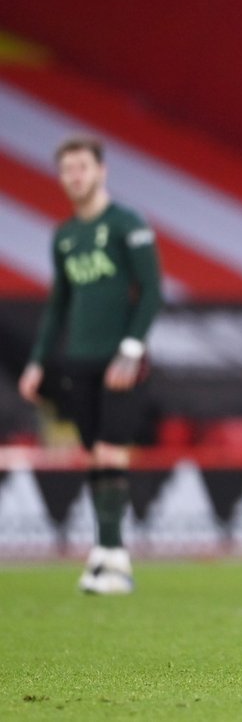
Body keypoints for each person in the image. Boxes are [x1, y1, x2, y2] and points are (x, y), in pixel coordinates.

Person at [18, 135, 163, 595]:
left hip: (120, 360)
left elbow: (153, 291)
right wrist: (38, 362)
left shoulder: (127, 223)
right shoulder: (64, 236)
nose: (75, 176)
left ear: (101, 170)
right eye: (67, 169)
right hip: (77, 360)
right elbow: (58, 304)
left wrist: (132, 348)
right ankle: (103, 553)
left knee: (110, 451)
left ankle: (116, 560)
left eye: (82, 167)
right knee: (92, 455)